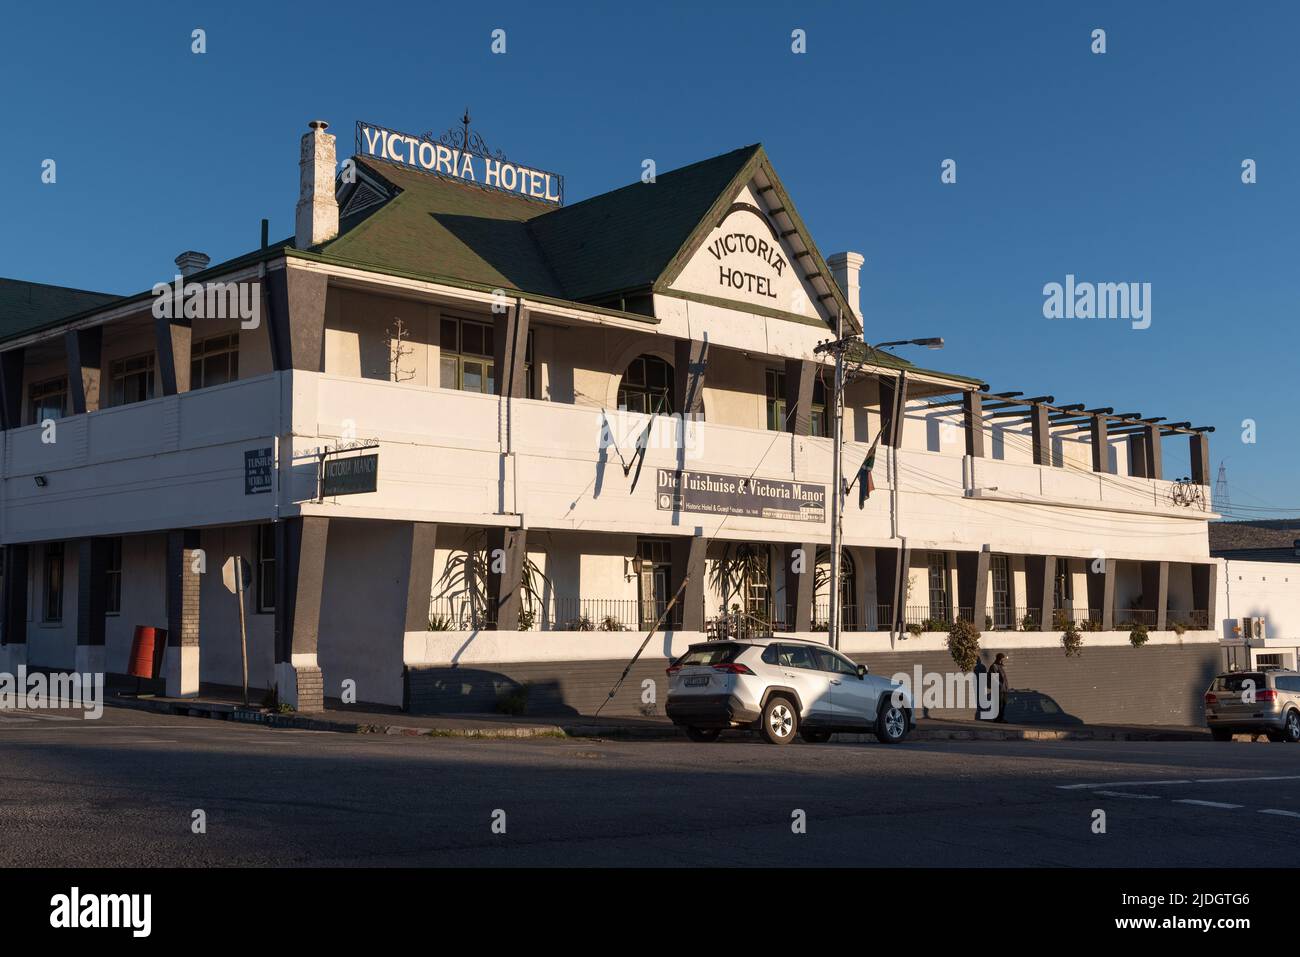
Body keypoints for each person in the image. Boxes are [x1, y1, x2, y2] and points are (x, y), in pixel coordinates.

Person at [990, 653, 1010, 722]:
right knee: (999, 704)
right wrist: (1000, 685)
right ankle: (997, 719)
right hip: (999, 689)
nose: (1003, 661)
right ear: (999, 659)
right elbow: (994, 678)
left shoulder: (1000, 666)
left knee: (1003, 704)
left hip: (1004, 689)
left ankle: (1001, 718)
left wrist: (1006, 687)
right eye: (1002, 659)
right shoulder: (994, 666)